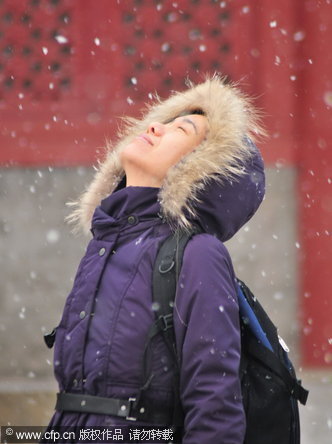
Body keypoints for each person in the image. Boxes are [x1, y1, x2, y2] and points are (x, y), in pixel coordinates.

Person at [43, 75, 265, 443]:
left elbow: (216, 411)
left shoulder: (198, 255)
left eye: (182, 129)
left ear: (201, 169)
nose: (153, 127)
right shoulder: (106, 241)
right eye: (165, 121)